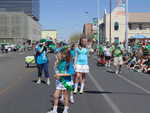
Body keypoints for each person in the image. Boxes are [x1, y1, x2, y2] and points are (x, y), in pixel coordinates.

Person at [48, 47, 74, 113]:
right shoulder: (60, 62)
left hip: (67, 82)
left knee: (65, 96)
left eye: (61, 54)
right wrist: (56, 65)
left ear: (65, 55)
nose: (60, 55)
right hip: (60, 81)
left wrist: (60, 75)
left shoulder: (69, 63)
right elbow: (56, 71)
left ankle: (65, 110)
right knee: (55, 95)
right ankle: (54, 110)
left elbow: (71, 73)